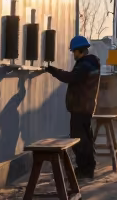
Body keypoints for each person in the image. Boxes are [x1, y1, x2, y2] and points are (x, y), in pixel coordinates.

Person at [44, 35, 102, 179]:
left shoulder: (85, 65)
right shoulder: (91, 63)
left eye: (74, 51)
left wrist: (53, 70)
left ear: (79, 50)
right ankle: (88, 168)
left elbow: (70, 77)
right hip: (85, 107)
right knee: (85, 139)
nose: (73, 54)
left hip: (81, 108)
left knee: (80, 141)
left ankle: (85, 170)